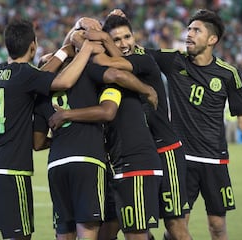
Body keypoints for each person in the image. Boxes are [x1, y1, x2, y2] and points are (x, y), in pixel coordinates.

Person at [0, 18, 104, 240]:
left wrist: (64, 49)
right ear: (33, 46)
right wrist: (85, 49)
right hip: (10, 171)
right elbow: (62, 82)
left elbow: (43, 73)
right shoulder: (27, 76)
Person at [33, 20, 158, 240]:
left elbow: (36, 142)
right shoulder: (90, 73)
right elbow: (112, 94)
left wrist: (62, 135)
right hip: (90, 160)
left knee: (69, 232)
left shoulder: (41, 92)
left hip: (57, 164)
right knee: (95, 232)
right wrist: (148, 90)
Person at [146, 9, 242, 240]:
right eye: (189, 29)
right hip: (181, 159)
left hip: (215, 159)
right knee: (176, 226)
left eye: (196, 30)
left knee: (217, 225)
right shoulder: (174, 61)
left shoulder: (228, 74)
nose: (189, 34)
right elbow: (138, 53)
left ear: (212, 39)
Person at [83, 12, 192, 240]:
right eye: (117, 39)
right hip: (135, 155)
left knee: (175, 226)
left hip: (165, 150)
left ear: (135, 37)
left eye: (127, 37)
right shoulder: (122, 66)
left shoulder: (142, 60)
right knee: (126, 226)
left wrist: (101, 39)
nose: (124, 43)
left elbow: (108, 62)